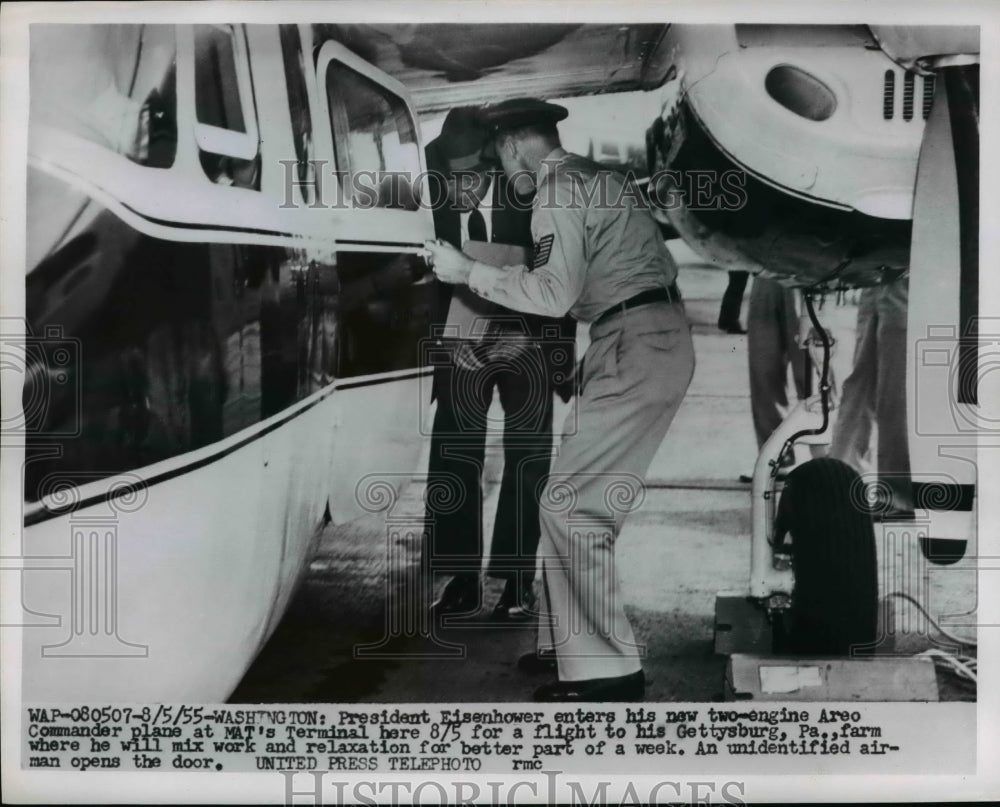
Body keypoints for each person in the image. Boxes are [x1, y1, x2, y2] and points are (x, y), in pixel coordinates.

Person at [426, 98, 695, 702]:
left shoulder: (556, 190)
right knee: (565, 500)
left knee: (572, 506)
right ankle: (569, 653)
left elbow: (552, 292)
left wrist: (464, 270)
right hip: (630, 337)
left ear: (516, 143)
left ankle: (606, 675)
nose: (502, 168)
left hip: (635, 343)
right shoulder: (590, 177)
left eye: (499, 153)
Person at [423, 107, 574, 622]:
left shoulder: (537, 193)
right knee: (454, 454)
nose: (460, 188)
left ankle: (514, 579)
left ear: (493, 164)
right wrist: (440, 349)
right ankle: (459, 579)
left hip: (527, 342)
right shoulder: (430, 196)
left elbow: (561, 277)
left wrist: (551, 355)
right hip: (460, 343)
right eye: (449, 176)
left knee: (528, 457)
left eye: (472, 177)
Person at [829, 275, 912, 515]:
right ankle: (841, 479)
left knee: (895, 392)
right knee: (859, 385)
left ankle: (900, 493)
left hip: (905, 279)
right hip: (876, 281)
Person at [739, 275, 810, 482]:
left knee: (810, 370)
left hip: (807, 270)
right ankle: (776, 458)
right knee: (763, 367)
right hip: (766, 272)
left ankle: (826, 458)